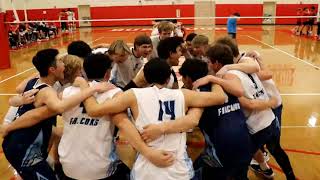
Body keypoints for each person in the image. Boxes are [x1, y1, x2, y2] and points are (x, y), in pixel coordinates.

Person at [75, 58, 226, 180]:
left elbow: (93, 110)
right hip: (178, 168)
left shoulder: (132, 94)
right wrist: (214, 79)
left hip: (146, 168)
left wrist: (84, 85)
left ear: (145, 78)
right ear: (168, 78)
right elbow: (220, 98)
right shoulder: (184, 95)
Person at [1, 49, 107, 179]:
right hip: (23, 147)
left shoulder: (34, 81)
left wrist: (18, 100)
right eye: (60, 61)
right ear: (52, 69)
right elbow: (58, 107)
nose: (63, 65)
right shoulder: (48, 91)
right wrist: (91, 89)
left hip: (17, 142)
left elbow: (20, 98)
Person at [142, 58, 253, 180]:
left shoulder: (197, 97)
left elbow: (189, 122)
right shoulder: (224, 85)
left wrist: (159, 128)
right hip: (246, 146)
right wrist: (213, 79)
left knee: (196, 171)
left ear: (188, 78)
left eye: (183, 78)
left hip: (222, 153)